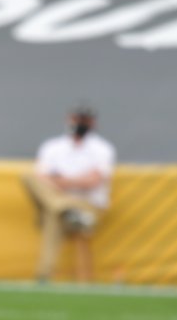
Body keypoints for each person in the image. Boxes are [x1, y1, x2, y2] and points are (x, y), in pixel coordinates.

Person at [23, 105, 115, 283]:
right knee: (29, 179)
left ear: (92, 122)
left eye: (85, 119)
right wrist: (73, 183)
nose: (80, 123)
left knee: (53, 215)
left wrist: (60, 181)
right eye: (77, 118)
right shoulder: (52, 146)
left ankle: (43, 276)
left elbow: (94, 181)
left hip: (87, 206)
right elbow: (40, 177)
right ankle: (65, 210)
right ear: (69, 119)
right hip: (62, 203)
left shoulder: (102, 148)